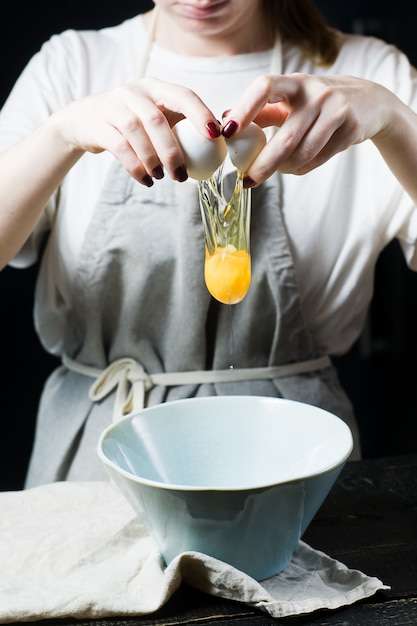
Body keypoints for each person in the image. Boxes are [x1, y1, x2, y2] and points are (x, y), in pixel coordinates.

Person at [1, 0, 417, 487]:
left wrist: (394, 121)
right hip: (103, 459)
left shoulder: (369, 72)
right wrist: (60, 135)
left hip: (293, 458)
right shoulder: (73, 66)